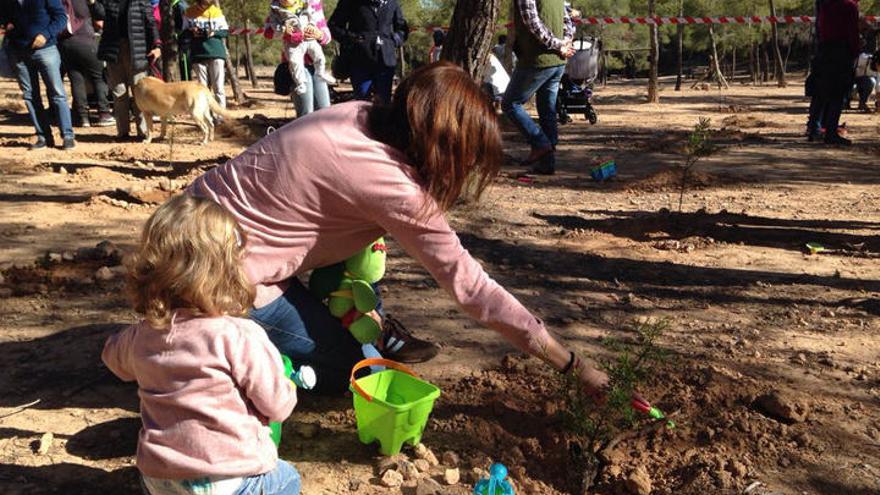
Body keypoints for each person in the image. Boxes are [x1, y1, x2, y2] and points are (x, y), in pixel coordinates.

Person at [187, 62, 610, 400]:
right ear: (445, 145)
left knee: (369, 346)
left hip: (183, 230)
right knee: (356, 372)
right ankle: (200, 352)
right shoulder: (396, 188)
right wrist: (571, 363)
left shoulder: (357, 113)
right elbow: (473, 289)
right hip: (218, 276)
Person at [102, 194, 302, 495]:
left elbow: (111, 358)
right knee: (289, 477)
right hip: (230, 479)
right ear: (228, 271)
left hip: (160, 479)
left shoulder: (142, 335)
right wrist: (288, 384)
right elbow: (277, 406)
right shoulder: (238, 335)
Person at [502, 0, 575, 175]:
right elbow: (568, 20)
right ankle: (547, 164)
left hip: (538, 59)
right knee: (547, 111)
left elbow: (532, 22)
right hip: (559, 61)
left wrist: (559, 45)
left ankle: (540, 143)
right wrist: (565, 43)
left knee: (510, 104)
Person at [0, 0, 77, 149]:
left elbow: (61, 17)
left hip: (46, 50)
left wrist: (45, 35)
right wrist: (7, 25)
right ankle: (43, 136)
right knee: (30, 96)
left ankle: (67, 135)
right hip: (18, 52)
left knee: (57, 93)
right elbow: (4, 18)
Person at [97, 0, 162, 141]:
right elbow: (99, 14)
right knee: (118, 92)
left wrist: (157, 45)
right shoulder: (108, 2)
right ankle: (123, 133)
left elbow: (151, 23)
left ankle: (143, 132)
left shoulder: (141, 1)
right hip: (113, 51)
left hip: (137, 51)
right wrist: (91, 3)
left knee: (140, 93)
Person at [327, 0, 408, 104]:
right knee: (361, 103)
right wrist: (352, 39)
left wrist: (393, 41)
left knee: (384, 104)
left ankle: (381, 120)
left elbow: (402, 29)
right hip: (359, 60)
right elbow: (334, 25)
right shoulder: (350, 2)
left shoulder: (392, 3)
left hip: (386, 62)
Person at [805, 0, 859, 145]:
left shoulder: (826, 5)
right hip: (841, 52)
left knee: (821, 91)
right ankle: (831, 133)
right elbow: (852, 32)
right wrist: (855, 52)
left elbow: (821, 29)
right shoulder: (850, 6)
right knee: (838, 95)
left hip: (824, 50)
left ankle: (813, 129)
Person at [58, 0, 114, 128]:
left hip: (65, 44)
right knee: (98, 77)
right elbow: (101, 15)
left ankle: (82, 117)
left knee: (76, 78)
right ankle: (104, 114)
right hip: (86, 41)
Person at [268, 0, 335, 97]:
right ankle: (300, 84)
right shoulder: (276, 7)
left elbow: (326, 34)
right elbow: (268, 32)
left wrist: (319, 35)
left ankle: (322, 73)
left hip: (315, 64)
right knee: (306, 110)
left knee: (323, 108)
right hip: (296, 64)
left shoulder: (313, 3)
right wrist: (284, 32)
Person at [181, 0, 229, 113]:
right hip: (198, 54)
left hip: (216, 53)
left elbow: (225, 31)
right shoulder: (188, 12)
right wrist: (191, 31)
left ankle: (221, 117)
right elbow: (183, 33)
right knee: (202, 89)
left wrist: (213, 33)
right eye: (201, 3)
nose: (204, 6)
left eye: (207, 4)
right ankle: (206, 116)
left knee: (219, 88)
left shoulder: (216, 12)